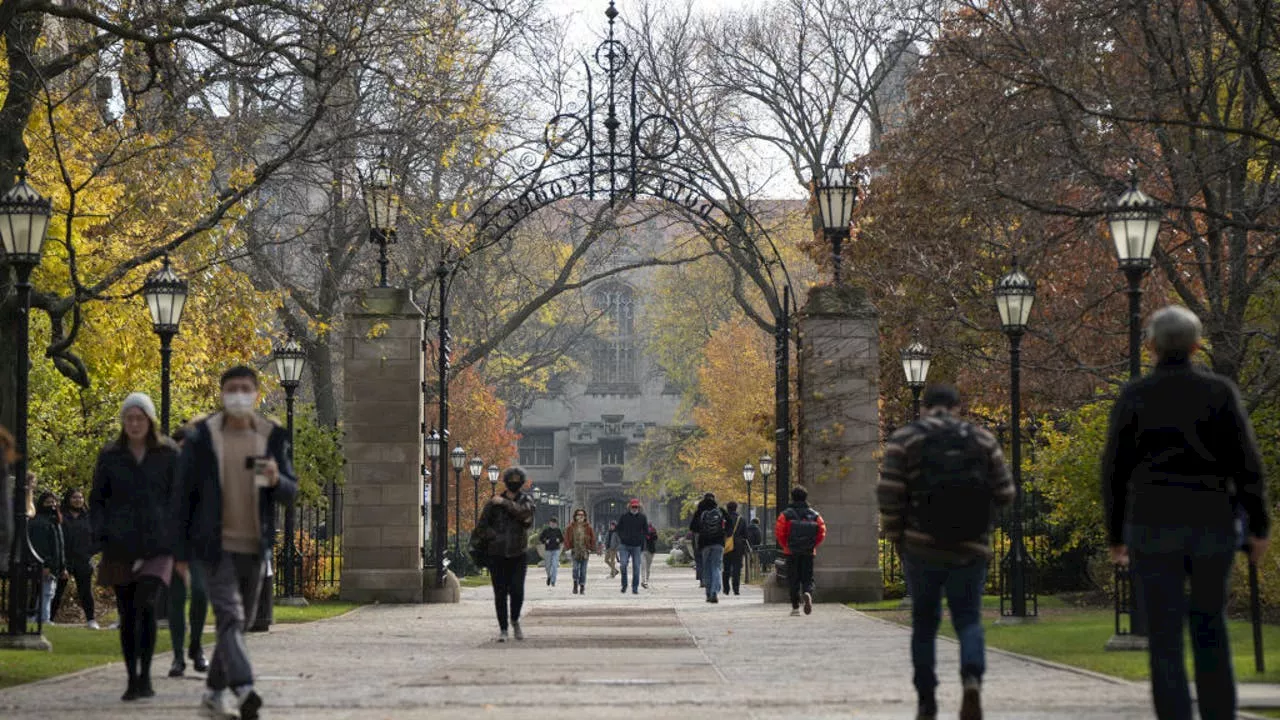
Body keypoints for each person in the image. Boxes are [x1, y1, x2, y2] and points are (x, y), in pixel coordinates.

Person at [1101, 306, 1270, 720]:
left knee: (1165, 636)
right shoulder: (1218, 392)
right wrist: (1258, 524)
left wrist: (1116, 534)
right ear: (1197, 344)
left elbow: (1114, 470)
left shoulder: (1136, 396)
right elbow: (1246, 463)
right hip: (1210, 522)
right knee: (1210, 624)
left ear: (1152, 346)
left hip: (1152, 525)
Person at [877, 384, 1013, 720]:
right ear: (957, 407)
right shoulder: (981, 439)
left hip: (921, 547)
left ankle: (926, 699)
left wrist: (898, 537)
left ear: (924, 407)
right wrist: (985, 522)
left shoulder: (906, 439)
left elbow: (889, 494)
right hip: (970, 546)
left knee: (924, 623)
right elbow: (1006, 491)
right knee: (968, 618)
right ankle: (971, 678)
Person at [175, 366, 297, 719]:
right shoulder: (203, 437)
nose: (238, 395)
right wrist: (180, 551)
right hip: (214, 545)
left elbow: (289, 492)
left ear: (256, 393)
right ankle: (244, 688)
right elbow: (183, 497)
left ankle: (213, 695)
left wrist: (277, 481)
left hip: (255, 545)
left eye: (245, 388)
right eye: (232, 389)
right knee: (229, 616)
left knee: (238, 625)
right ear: (222, 393)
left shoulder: (269, 435)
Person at [91, 392, 181, 701]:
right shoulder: (111, 456)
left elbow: (180, 498)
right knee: (127, 613)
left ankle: (146, 675)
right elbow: (98, 499)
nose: (134, 423)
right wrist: (101, 532)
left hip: (158, 545)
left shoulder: (168, 455)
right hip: (120, 545)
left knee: (146, 605)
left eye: (139, 418)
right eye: (129, 418)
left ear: (150, 420)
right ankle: (132, 678)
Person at [474, 468, 535, 641]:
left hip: (518, 552)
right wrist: (492, 537)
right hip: (497, 553)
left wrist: (504, 503)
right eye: (511, 479)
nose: (514, 482)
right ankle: (503, 629)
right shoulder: (493, 503)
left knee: (517, 591)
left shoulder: (526, 500)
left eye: (517, 480)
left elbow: (525, 514)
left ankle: (515, 619)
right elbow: (482, 526)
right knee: (500, 593)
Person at [166, 424, 208, 678]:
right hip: (173, 542)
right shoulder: (167, 474)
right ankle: (178, 656)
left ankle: (196, 645)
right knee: (176, 599)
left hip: (200, 544)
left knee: (201, 593)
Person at [777, 486, 828, 618]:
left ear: (792, 497)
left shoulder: (785, 515)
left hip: (791, 551)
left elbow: (780, 532)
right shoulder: (815, 515)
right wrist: (812, 545)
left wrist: (786, 546)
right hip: (808, 551)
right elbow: (821, 532)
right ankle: (808, 593)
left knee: (793, 579)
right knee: (807, 577)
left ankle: (795, 608)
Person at [53, 488, 97, 628]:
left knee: (86, 592)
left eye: (80, 497)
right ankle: (48, 619)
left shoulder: (89, 517)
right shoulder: (61, 516)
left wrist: (90, 553)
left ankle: (91, 620)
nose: (78, 500)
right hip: (64, 560)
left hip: (83, 560)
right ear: (68, 499)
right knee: (57, 591)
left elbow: (99, 537)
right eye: (74, 497)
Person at [28, 490, 66, 625]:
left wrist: (62, 567)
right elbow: (41, 546)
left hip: (53, 565)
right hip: (44, 565)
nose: (52, 504)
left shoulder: (54, 522)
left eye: (54, 501)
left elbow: (59, 547)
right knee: (44, 592)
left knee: (48, 592)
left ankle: (41, 617)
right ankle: (42, 618)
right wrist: (46, 565)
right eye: (48, 502)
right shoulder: (40, 522)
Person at [691, 493, 725, 603]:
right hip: (718, 543)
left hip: (705, 543)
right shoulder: (719, 510)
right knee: (716, 567)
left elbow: (692, 527)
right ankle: (715, 591)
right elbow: (729, 524)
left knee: (707, 568)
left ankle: (708, 592)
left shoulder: (699, 511)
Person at [615, 499, 648, 594]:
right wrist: (622, 537)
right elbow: (618, 529)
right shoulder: (624, 517)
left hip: (636, 546)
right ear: (629, 507)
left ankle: (635, 587)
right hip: (624, 545)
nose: (634, 508)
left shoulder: (642, 517)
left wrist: (641, 538)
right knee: (623, 565)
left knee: (636, 567)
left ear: (639, 507)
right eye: (633, 506)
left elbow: (646, 531)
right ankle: (624, 585)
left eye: (636, 507)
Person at [562, 508, 596, 594]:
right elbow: (566, 538)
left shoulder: (588, 527)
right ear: (575, 516)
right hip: (575, 551)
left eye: (582, 515)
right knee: (575, 569)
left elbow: (593, 538)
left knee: (583, 571)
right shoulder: (570, 527)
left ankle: (582, 586)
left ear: (585, 517)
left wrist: (591, 548)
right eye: (578, 515)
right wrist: (567, 548)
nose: (580, 516)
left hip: (585, 551)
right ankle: (575, 583)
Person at [722, 501, 747, 596]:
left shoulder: (724, 519)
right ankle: (736, 589)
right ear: (736, 508)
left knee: (726, 567)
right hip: (738, 546)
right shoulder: (741, 519)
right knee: (737, 568)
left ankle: (726, 589)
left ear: (727, 508)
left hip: (727, 546)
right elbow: (745, 534)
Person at [539, 517, 564, 587]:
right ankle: (549, 576)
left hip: (556, 550)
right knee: (548, 566)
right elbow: (540, 538)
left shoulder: (558, 530)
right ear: (549, 523)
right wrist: (545, 541)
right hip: (548, 550)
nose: (553, 524)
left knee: (554, 565)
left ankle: (553, 581)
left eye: (554, 523)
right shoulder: (546, 530)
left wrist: (559, 540)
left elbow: (562, 539)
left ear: (556, 524)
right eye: (551, 523)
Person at [642, 523, 658, 589]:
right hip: (642, 551)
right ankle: (644, 581)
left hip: (650, 551)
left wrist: (651, 534)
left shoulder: (653, 531)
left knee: (647, 568)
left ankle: (646, 580)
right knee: (643, 567)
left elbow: (655, 538)